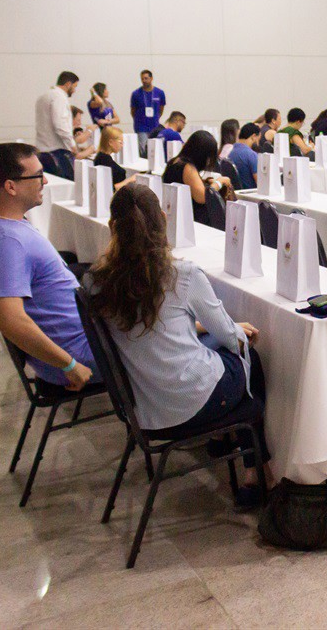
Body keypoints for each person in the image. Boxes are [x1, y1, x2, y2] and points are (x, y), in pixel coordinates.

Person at [88, 184, 269, 507]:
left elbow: (152, 327)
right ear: (163, 219)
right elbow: (230, 338)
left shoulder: (96, 281)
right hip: (191, 401)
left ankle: (219, 439)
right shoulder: (180, 274)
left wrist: (201, 328)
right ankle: (255, 472)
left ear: (112, 226)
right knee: (247, 355)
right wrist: (238, 333)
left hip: (144, 408)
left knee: (211, 341)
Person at [0, 142, 96, 390]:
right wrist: (70, 366)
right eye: (39, 176)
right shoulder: (6, 241)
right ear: (10, 187)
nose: (45, 182)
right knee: (179, 335)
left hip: (81, 337)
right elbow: (8, 319)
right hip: (80, 351)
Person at [162, 130, 232, 224]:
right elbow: (202, 197)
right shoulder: (187, 168)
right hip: (192, 220)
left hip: (176, 215)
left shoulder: (174, 162)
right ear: (202, 155)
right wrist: (219, 182)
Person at [34, 71, 80, 175]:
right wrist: (72, 145)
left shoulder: (44, 96)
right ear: (68, 84)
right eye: (75, 86)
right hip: (57, 151)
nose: (75, 90)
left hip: (42, 149)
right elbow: (60, 125)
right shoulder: (59, 97)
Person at [130, 69, 167, 155]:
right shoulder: (136, 94)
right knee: (143, 149)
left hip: (154, 126)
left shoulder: (159, 93)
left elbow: (161, 109)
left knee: (155, 149)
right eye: (142, 79)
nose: (144, 81)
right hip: (141, 127)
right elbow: (133, 111)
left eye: (146, 78)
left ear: (151, 78)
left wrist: (156, 117)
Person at [230, 123, 261, 188]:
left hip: (236, 194)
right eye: (258, 139)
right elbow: (260, 183)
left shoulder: (230, 153)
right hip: (251, 194)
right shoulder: (251, 155)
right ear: (253, 136)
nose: (258, 143)